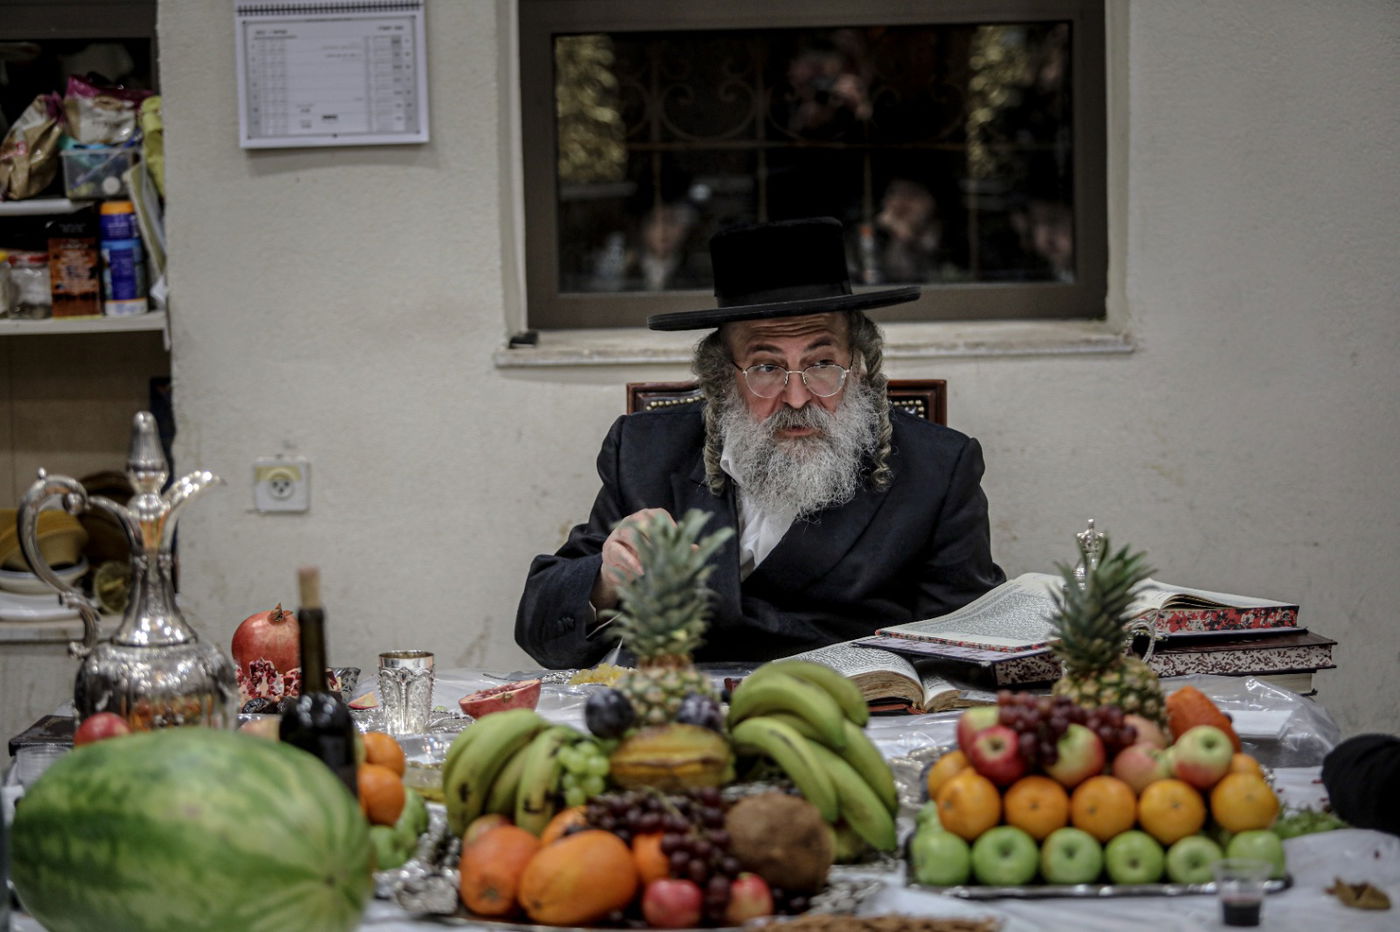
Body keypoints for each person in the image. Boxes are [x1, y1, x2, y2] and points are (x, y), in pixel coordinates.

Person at [515, 217, 1004, 668]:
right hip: (675, 723)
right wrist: (606, 581)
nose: (796, 397)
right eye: (766, 367)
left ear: (858, 366)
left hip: (851, 722)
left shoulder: (939, 468)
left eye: (820, 363)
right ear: (722, 377)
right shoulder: (645, 451)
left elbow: (965, 645)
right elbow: (542, 634)